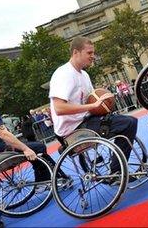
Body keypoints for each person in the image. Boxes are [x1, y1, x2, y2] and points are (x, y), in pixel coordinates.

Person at [48, 36, 138, 175]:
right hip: (72, 130)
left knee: (127, 121)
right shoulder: (63, 74)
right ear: (76, 53)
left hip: (85, 121)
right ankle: (116, 171)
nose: (93, 56)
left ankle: (117, 169)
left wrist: (104, 101)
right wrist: (91, 107)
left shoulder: (84, 75)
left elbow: (92, 100)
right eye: (89, 53)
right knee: (128, 123)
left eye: (93, 53)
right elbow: (59, 108)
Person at [0, 74, 66, 183]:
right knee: (39, 147)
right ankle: (45, 179)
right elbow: (3, 134)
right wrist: (25, 149)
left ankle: (46, 177)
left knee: (31, 146)